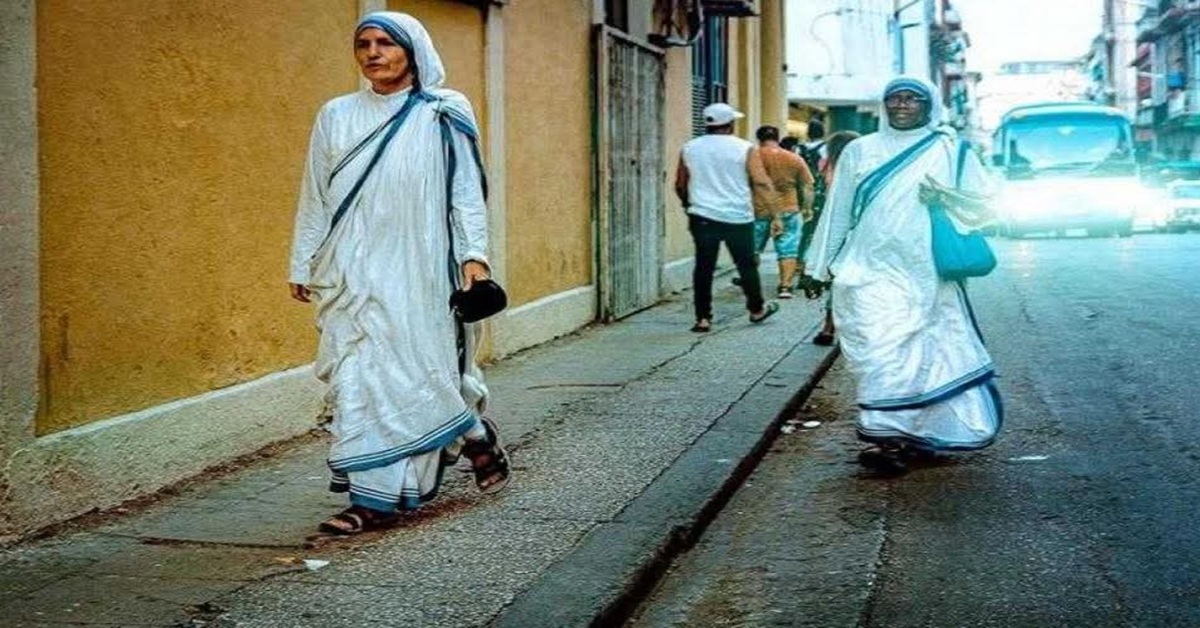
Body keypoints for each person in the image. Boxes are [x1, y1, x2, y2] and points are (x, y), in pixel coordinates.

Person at [288, 12, 510, 535]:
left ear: (412, 51)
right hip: (348, 272)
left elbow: (465, 195)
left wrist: (474, 261)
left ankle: (436, 458)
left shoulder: (443, 111)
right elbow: (314, 194)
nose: (372, 52)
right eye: (363, 43)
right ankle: (411, 474)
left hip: (420, 267)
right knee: (356, 377)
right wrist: (303, 260)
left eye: (385, 42)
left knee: (416, 374)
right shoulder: (336, 114)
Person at [801, 76, 1002, 475]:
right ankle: (889, 431)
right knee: (879, 350)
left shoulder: (951, 149)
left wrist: (945, 199)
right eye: (895, 98)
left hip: (925, 269)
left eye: (913, 99)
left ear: (930, 106)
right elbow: (838, 209)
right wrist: (817, 266)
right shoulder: (860, 150)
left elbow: (986, 208)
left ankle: (898, 437)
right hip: (867, 269)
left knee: (924, 352)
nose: (903, 105)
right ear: (883, 105)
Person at [675, 103, 780, 332]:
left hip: (702, 215)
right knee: (746, 264)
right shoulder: (744, 148)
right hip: (738, 216)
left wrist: (689, 205)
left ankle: (703, 318)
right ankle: (756, 309)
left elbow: (680, 184)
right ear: (730, 123)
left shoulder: (690, 148)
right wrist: (775, 215)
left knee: (704, 266)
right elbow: (761, 182)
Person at [752, 125, 815, 298]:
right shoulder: (794, 159)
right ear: (778, 138)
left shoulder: (752, 158)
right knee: (788, 250)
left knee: (752, 250)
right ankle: (785, 287)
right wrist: (807, 208)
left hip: (758, 209)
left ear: (759, 138)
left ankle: (749, 282)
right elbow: (807, 186)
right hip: (788, 208)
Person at [810, 129, 860, 346]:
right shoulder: (861, 166)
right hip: (855, 229)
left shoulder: (825, 165)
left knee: (836, 279)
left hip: (831, 225)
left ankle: (828, 327)